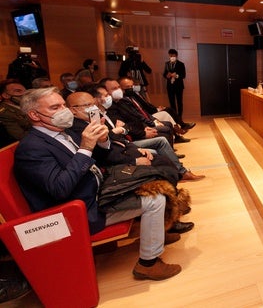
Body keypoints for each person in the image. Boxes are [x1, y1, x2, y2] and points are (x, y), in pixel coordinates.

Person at [14, 87, 183, 280]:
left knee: (154, 175)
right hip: (80, 210)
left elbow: (96, 158)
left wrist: (102, 141)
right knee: (156, 199)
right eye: (55, 107)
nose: (64, 110)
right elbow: (60, 189)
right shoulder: (31, 148)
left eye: (63, 104)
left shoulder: (63, 132)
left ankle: (158, 230)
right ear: (34, 114)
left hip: (96, 190)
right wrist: (86, 146)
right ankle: (148, 263)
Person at [84, 84, 205, 182]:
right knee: (160, 143)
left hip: (129, 141)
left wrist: (125, 129)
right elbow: (113, 136)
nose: (110, 96)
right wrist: (124, 131)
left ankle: (179, 170)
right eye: (107, 94)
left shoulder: (108, 110)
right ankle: (178, 172)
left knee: (164, 131)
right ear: (96, 100)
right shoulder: (102, 114)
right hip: (125, 146)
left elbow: (130, 122)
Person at [162, 49, 186, 119]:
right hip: (170, 86)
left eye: (173, 55)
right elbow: (164, 74)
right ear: (169, 55)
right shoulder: (167, 64)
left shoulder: (181, 64)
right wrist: (167, 75)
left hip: (179, 86)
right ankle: (174, 117)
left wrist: (177, 76)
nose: (172, 57)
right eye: (170, 55)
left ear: (176, 56)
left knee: (179, 102)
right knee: (172, 103)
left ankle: (180, 117)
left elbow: (183, 75)